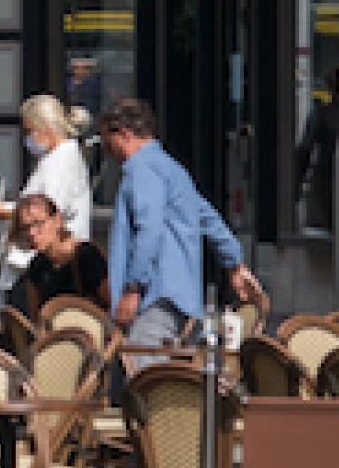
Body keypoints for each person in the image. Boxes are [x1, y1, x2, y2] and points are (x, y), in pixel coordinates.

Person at [100, 97, 261, 346]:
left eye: (107, 142)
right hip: (181, 296)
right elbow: (207, 217)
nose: (108, 151)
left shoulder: (141, 168)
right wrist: (235, 263)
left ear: (124, 134)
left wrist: (133, 289)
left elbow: (148, 231)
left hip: (152, 297)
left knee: (146, 376)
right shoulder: (172, 169)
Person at [0, 94, 94, 300]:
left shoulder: (61, 163)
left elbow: (43, 210)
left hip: (46, 266)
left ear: (46, 127)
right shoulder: (55, 159)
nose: (29, 139)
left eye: (30, 131)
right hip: (37, 263)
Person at [14, 191, 108, 314]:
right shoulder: (37, 266)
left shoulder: (87, 256)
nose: (31, 233)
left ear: (57, 220)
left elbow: (111, 305)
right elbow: (36, 319)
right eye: (26, 227)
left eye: (38, 223)